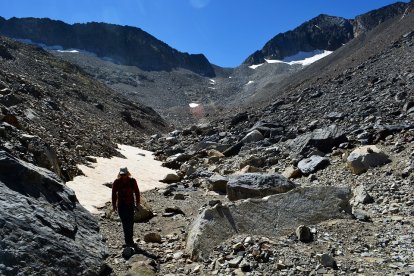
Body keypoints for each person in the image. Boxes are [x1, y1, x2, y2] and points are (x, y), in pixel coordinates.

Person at [112, 167, 140, 247]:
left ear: (127, 173)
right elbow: (114, 194)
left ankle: (130, 240)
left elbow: (137, 192)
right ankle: (127, 241)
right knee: (125, 223)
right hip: (121, 205)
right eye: (122, 174)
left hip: (130, 204)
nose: (123, 176)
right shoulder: (116, 182)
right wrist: (114, 205)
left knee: (130, 222)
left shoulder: (132, 181)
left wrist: (137, 202)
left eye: (124, 174)